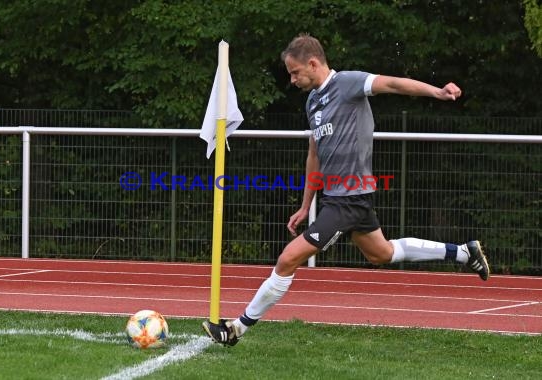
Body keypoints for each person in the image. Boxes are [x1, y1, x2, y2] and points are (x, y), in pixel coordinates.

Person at [203, 34, 490, 346]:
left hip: (349, 199)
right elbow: (314, 155)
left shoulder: (350, 83)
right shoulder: (312, 102)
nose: (292, 79)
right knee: (382, 253)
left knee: (288, 258)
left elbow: (393, 84)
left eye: (295, 72)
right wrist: (305, 205)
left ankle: (235, 329)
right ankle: (463, 252)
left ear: (313, 64)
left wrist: (438, 91)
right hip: (337, 199)